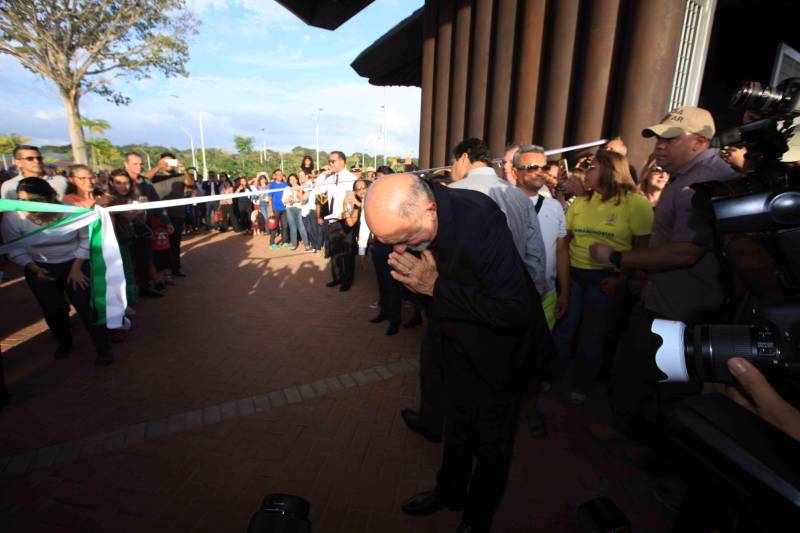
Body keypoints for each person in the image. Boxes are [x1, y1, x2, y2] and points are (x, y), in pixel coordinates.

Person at [365, 174, 553, 533]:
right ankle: (448, 493)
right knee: (458, 427)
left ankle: (477, 518)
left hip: (501, 355)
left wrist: (435, 287)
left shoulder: (478, 221)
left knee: (492, 444)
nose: (400, 249)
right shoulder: (411, 225)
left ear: (430, 209)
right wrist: (425, 289)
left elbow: (514, 310)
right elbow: (424, 290)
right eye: (391, 243)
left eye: (403, 240)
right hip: (454, 345)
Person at [589, 106, 734, 439]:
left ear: (699, 143)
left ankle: (654, 451)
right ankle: (636, 436)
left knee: (669, 383)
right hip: (664, 300)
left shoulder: (704, 183)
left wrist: (618, 257)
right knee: (643, 371)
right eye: (658, 138)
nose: (660, 146)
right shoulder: (686, 178)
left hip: (681, 310)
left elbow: (686, 252)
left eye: (670, 139)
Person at [551, 149, 653, 404]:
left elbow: (642, 249)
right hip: (574, 276)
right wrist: (563, 285)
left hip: (606, 280)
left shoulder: (637, 204)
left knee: (592, 335)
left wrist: (621, 278)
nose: (586, 173)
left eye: (592, 167)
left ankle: (582, 385)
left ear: (609, 170)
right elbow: (566, 241)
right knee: (564, 330)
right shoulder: (582, 202)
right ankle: (552, 378)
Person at [1, 178, 113, 365]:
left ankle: (103, 348)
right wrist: (34, 269)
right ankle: (64, 342)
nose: (28, 206)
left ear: (51, 197)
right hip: (38, 267)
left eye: (36, 200)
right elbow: (14, 248)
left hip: (75, 262)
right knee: (54, 310)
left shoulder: (72, 213)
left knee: (87, 307)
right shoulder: (13, 218)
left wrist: (76, 268)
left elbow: (86, 239)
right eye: (22, 201)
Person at [448, 138, 548, 298]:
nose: (451, 169)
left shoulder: (451, 193)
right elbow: (535, 252)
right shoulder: (519, 196)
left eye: (452, 163)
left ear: (464, 158)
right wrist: (534, 292)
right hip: (513, 292)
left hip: (466, 296)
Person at [512, 145, 569, 330]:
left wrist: (565, 292)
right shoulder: (501, 206)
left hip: (547, 297)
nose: (539, 172)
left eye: (543, 167)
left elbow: (561, 251)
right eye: (531, 167)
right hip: (511, 298)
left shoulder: (555, 207)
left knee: (541, 353)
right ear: (515, 172)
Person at [321, 151, 356, 290]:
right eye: (330, 161)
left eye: (333, 161)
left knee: (346, 252)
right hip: (332, 219)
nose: (330, 163)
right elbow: (321, 193)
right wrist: (322, 176)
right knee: (334, 251)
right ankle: (337, 277)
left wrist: (347, 213)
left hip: (345, 219)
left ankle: (347, 281)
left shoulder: (350, 178)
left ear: (342, 161)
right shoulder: (329, 178)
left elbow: (351, 199)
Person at [1, 145, 68, 200]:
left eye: (39, 158)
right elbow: (9, 212)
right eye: (30, 159)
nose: (36, 161)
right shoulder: (9, 186)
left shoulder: (60, 180)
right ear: (18, 163)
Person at [282, 173, 310, 250]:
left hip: (299, 208)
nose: (292, 181)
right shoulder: (287, 188)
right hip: (289, 209)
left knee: (301, 226)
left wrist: (298, 191)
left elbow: (302, 200)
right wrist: (289, 199)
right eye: (290, 179)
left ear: (297, 179)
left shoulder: (300, 187)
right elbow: (284, 201)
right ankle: (294, 244)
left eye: (293, 179)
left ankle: (306, 244)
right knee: (292, 227)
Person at [268, 170, 289, 249]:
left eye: (281, 174)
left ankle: (285, 242)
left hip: (284, 208)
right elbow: (269, 198)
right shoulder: (272, 185)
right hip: (275, 209)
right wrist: (270, 210)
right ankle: (272, 243)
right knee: (274, 227)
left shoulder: (285, 184)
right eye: (278, 174)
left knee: (285, 226)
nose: (280, 175)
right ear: (275, 176)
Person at [298, 170, 318, 251]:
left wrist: (299, 190)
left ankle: (316, 246)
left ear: (307, 176)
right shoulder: (304, 185)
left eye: (302, 175)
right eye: (299, 176)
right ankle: (314, 246)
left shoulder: (308, 184)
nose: (300, 178)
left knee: (311, 229)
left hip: (310, 211)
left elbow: (303, 199)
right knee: (309, 229)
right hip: (305, 211)